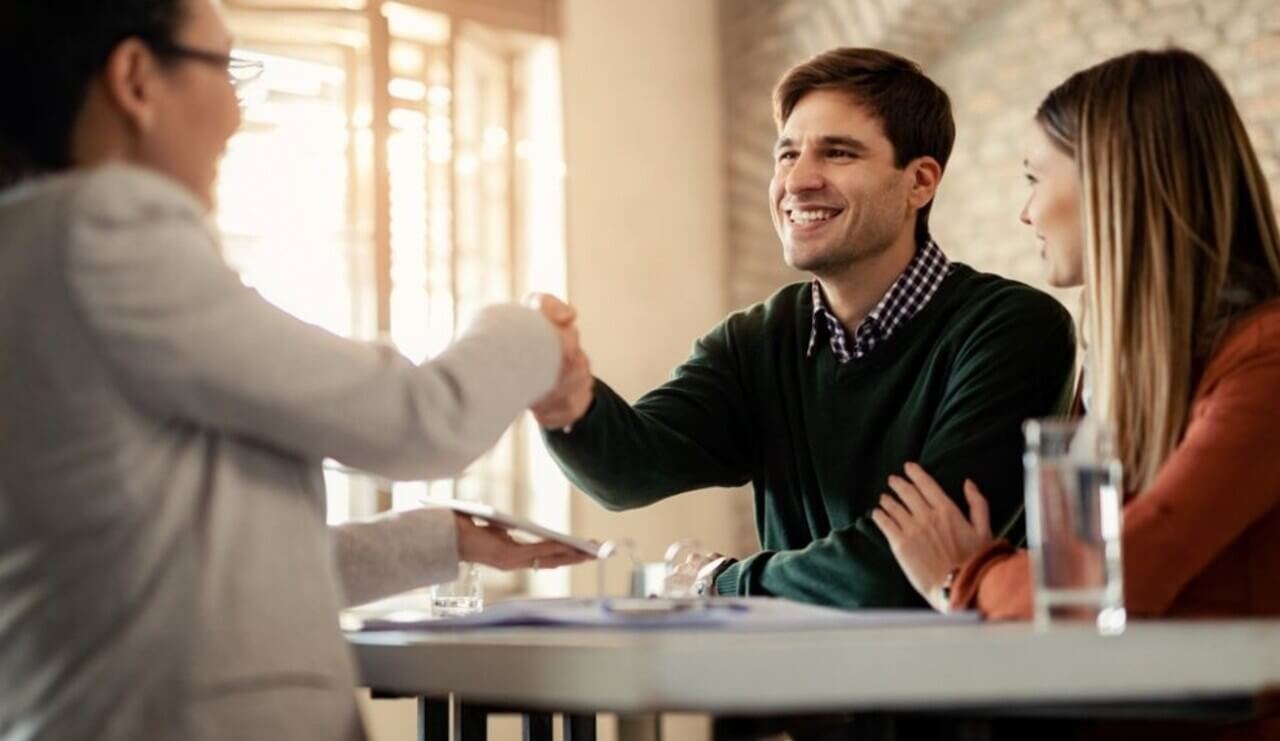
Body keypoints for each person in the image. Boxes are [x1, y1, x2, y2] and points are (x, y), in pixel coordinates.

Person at [0, 1, 594, 739]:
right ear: (136, 79)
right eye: (224, 67)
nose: (235, 114)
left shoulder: (34, 249)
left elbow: (202, 576)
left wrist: (443, 540)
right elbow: (420, 419)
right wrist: (535, 332)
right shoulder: (104, 231)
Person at [531, 47, 1077, 607]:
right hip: (793, 667)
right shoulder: (754, 341)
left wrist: (721, 581)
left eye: (838, 153)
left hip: (954, 667)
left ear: (919, 182)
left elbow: (901, 574)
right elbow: (627, 470)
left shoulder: (1014, 331)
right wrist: (563, 396)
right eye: (787, 154)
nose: (798, 180)